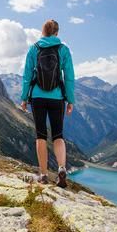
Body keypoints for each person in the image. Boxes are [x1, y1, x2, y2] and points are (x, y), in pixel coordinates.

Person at [20, 19, 75, 188]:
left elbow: (27, 76)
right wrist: (70, 100)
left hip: (37, 97)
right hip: (57, 97)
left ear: (42, 32)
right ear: (57, 33)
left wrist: (24, 98)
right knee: (58, 135)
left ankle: (43, 175)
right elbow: (69, 77)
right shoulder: (63, 49)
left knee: (41, 136)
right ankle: (61, 168)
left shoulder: (34, 49)